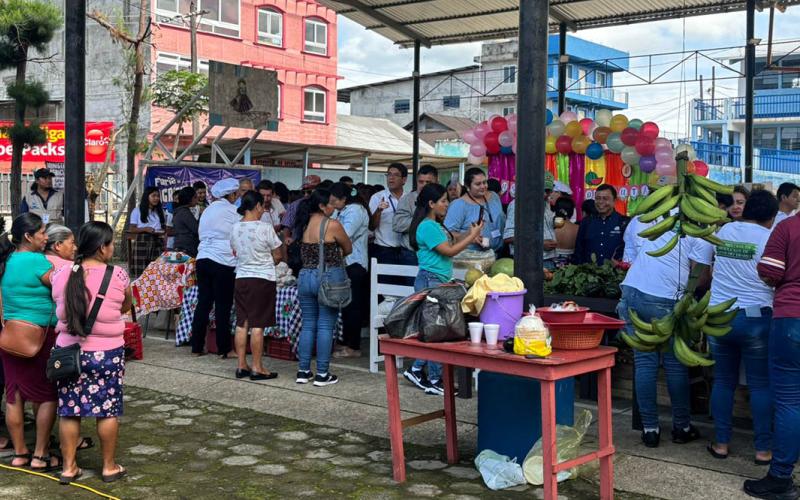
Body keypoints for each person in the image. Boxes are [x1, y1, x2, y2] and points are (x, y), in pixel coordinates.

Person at [693, 190, 778, 466]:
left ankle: (721, 444)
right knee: (760, 385)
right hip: (755, 318)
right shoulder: (770, 238)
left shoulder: (725, 230)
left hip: (719, 317)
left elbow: (704, 269)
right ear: (771, 217)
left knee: (723, 381)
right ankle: (763, 450)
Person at [616, 210, 712, 448]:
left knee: (645, 362)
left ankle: (650, 430)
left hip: (632, 291)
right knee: (674, 365)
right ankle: (682, 427)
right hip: (665, 299)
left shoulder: (660, 217)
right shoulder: (702, 231)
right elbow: (700, 278)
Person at [51, 221, 131, 484]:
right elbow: (125, 305)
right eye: (109, 244)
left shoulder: (62, 274)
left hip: (68, 354)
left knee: (70, 411)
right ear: (101, 247)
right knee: (106, 410)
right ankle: (108, 467)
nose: (111, 248)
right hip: (106, 354)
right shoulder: (117, 275)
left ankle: (69, 468)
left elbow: (59, 303)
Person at [403, 184, 483, 395]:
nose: (447, 205)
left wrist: (470, 233)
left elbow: (452, 239)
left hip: (438, 281)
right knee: (439, 331)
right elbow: (449, 250)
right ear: (431, 203)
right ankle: (435, 380)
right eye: (444, 201)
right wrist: (470, 237)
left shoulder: (435, 224)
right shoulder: (427, 226)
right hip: (432, 281)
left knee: (438, 330)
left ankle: (418, 369)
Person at [0, 213, 60, 471]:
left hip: (10, 336)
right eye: (42, 232)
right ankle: (39, 454)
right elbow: (61, 288)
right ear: (28, 236)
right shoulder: (39, 262)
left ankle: (20, 453)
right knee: (46, 395)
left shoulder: (6, 261)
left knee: (13, 395)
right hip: (40, 336)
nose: (46, 237)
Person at [748, 204, 800, 499]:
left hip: (792, 318)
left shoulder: (788, 227)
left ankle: (781, 478)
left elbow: (769, 271)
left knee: (790, 403)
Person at [294, 189, 352, 387]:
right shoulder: (332, 224)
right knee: (326, 325)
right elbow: (348, 248)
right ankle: (322, 374)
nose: (334, 207)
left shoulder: (303, 224)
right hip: (327, 278)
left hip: (305, 277)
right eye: (331, 203)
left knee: (308, 324)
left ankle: (303, 371)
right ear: (321, 206)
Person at [230, 191, 283, 381]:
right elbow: (278, 255)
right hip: (262, 279)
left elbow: (235, 250)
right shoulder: (265, 228)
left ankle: (241, 365)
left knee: (242, 323)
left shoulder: (235, 227)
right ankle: (257, 367)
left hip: (241, 277)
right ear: (258, 206)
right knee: (258, 325)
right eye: (262, 206)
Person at [190, 178, 241, 358]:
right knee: (222, 306)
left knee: (203, 303)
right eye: (237, 194)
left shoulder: (207, 210)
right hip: (223, 261)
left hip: (202, 258)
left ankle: (196, 346)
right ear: (232, 194)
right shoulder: (233, 211)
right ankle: (224, 348)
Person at [331, 182, 369, 358]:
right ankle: (346, 341)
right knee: (346, 305)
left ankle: (353, 346)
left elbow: (344, 234)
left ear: (344, 199)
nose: (332, 204)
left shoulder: (354, 210)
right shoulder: (344, 210)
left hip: (355, 263)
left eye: (334, 200)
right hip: (345, 263)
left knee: (353, 306)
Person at [444, 167, 505, 253]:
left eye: (484, 182)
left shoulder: (494, 196)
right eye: (478, 184)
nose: (483, 186)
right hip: (471, 256)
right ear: (467, 186)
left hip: (497, 252)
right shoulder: (458, 205)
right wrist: (471, 238)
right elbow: (448, 234)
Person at [393, 164, 439, 267]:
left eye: (428, 182)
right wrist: (422, 221)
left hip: (437, 253)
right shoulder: (407, 199)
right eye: (421, 182)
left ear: (437, 182)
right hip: (412, 254)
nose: (424, 185)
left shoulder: (442, 200)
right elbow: (397, 224)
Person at [573, 184, 628, 265]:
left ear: (614, 201)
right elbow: (579, 250)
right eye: (598, 198)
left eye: (605, 198)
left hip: (616, 274)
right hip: (589, 274)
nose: (601, 202)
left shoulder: (624, 222)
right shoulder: (586, 222)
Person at [369, 163, 407, 266]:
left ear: (404, 180)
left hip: (405, 251)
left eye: (396, 175)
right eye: (389, 174)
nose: (391, 178)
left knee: (404, 282)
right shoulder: (377, 197)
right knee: (383, 281)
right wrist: (378, 211)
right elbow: (371, 226)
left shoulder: (409, 199)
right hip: (383, 250)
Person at [128, 187, 166, 278]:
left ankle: (154, 292)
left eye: (158, 196)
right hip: (142, 242)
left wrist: (163, 234)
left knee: (157, 272)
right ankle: (140, 292)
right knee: (141, 273)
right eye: (153, 196)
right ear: (146, 197)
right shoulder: (137, 211)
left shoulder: (160, 211)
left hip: (157, 242)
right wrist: (145, 229)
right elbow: (132, 229)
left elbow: (163, 228)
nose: (156, 198)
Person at [282, 175, 321, 245]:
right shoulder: (295, 205)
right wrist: (287, 238)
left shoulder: (324, 204)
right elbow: (287, 225)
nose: (305, 195)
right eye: (303, 192)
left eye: (309, 192)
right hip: (298, 244)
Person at [171, 186, 200, 257]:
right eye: (195, 197)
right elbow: (196, 229)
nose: (197, 199)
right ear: (189, 199)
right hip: (186, 248)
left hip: (181, 246)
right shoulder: (185, 212)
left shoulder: (179, 211)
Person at [553, 197, 578, 268]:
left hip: (550, 266)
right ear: (571, 211)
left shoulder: (550, 227)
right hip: (570, 268)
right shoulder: (577, 228)